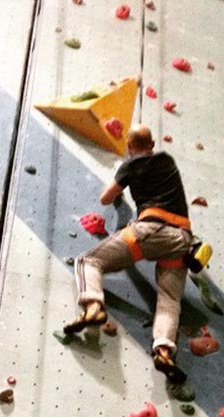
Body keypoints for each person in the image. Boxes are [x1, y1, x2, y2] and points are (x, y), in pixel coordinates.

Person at [64, 124, 192, 385]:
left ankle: (93, 307)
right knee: (169, 300)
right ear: (153, 144)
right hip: (181, 239)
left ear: (130, 147)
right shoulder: (167, 160)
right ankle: (164, 350)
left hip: (147, 231)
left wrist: (125, 175)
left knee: (90, 261)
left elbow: (106, 198)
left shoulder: (130, 166)